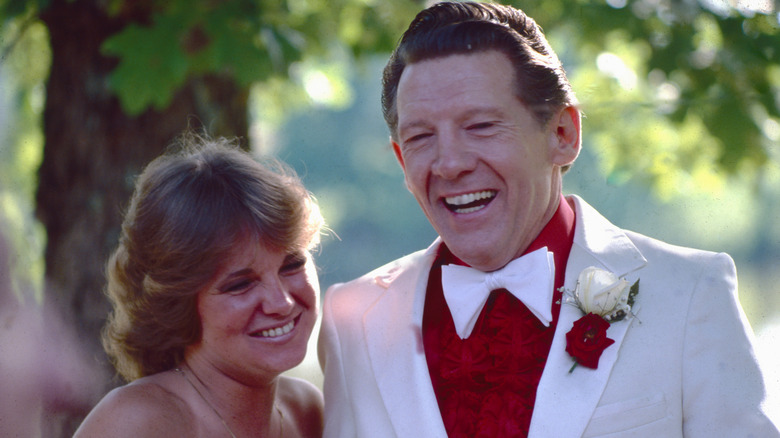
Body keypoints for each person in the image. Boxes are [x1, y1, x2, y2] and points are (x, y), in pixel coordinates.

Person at [317, 2, 779, 437]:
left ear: (563, 134)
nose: (449, 163)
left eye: (480, 126)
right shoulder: (351, 324)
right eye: (420, 137)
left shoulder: (691, 292)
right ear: (401, 161)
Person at [74, 134, 325, 438]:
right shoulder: (135, 422)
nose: (281, 302)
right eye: (241, 285)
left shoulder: (306, 410)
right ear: (176, 304)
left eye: (292, 264)